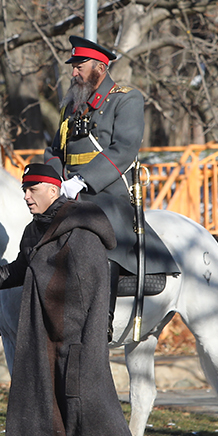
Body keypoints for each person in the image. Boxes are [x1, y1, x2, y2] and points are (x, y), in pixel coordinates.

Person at [0, 163, 139, 436]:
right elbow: (20, 271)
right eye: (24, 190)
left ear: (53, 190)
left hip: (80, 326)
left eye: (33, 189)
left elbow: (93, 282)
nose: (26, 196)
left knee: (87, 392)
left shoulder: (81, 228)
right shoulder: (33, 231)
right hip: (45, 328)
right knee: (43, 399)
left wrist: (88, 329)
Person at [44, 36, 176, 280]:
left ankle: (105, 313)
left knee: (105, 246)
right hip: (67, 192)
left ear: (100, 68)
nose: (73, 73)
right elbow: (54, 150)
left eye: (79, 67)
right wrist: (54, 183)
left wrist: (82, 180)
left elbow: (124, 148)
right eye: (73, 67)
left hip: (107, 193)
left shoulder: (125, 98)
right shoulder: (71, 106)